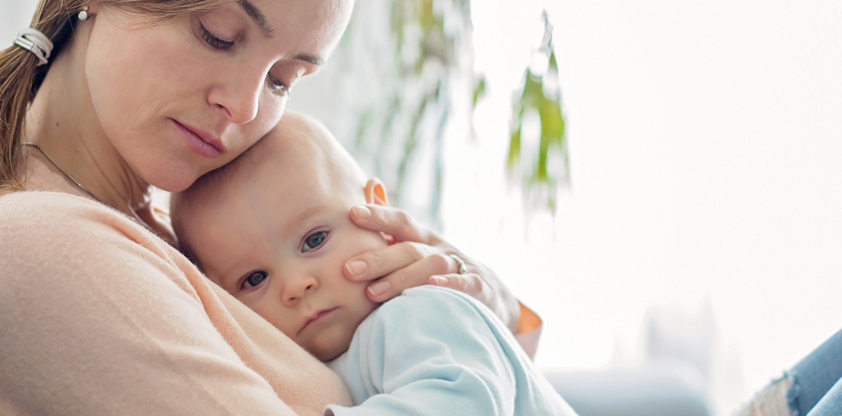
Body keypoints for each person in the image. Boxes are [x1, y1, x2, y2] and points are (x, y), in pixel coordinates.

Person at [0, 1, 535, 414]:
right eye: (218, 34)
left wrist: (489, 310)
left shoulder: (177, 235)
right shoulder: (41, 246)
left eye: (283, 79)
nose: (245, 105)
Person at [170, 112, 576, 416]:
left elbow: (467, 401)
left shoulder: (421, 310)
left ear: (378, 211)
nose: (296, 285)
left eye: (314, 240)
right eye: (253, 279)